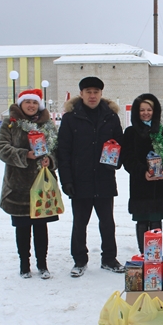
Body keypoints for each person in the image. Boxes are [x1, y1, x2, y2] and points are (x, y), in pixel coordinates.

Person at [57, 76, 125, 277]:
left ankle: (109, 259)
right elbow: (64, 151)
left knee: (107, 222)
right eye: (88, 92)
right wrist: (67, 180)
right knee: (80, 223)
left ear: (101, 94)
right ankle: (79, 260)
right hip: (80, 179)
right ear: (81, 94)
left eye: (96, 92)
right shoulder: (71, 118)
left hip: (104, 178)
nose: (92, 96)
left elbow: (120, 145)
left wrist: (116, 161)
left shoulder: (111, 117)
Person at [0, 89, 58, 279]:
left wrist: (50, 159)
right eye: (27, 102)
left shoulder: (47, 125)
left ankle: (43, 264)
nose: (31, 105)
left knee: (41, 228)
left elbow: (57, 149)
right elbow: (1, 148)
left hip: (43, 186)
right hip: (19, 184)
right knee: (23, 228)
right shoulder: (11, 123)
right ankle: (24, 264)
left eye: (34, 102)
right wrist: (25, 155)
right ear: (20, 104)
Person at [121, 94, 163, 254]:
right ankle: (145, 254)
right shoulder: (131, 133)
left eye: (149, 110)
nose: (146, 113)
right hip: (140, 186)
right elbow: (128, 158)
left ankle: (155, 253)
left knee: (156, 220)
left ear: (155, 111)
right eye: (142, 110)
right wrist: (142, 172)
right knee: (142, 221)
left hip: (160, 187)